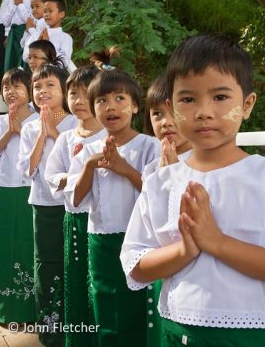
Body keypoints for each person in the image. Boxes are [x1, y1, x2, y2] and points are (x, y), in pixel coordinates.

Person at [120, 34, 265, 347]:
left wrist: (217, 242)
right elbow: (136, 265)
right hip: (176, 332)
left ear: (247, 105)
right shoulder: (160, 182)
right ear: (171, 108)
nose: (203, 111)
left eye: (220, 97)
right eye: (188, 99)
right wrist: (185, 251)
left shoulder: (260, 178)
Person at [64, 46, 160, 347]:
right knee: (103, 303)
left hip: (140, 239)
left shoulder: (149, 146)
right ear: (94, 110)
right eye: (102, 100)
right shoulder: (89, 149)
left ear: (134, 107)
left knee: (135, 305)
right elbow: (76, 202)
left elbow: (158, 196)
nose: (111, 106)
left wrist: (124, 169)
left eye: (120, 98)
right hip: (100, 239)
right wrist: (90, 166)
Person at [45, 66, 105, 347]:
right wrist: (77, 177)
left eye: (86, 94)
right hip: (74, 220)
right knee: (76, 285)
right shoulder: (67, 138)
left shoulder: (110, 135)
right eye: (73, 94)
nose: (79, 100)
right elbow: (51, 175)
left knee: (101, 287)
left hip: (105, 222)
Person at [17, 64, 77, 347]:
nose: (42, 91)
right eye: (37, 87)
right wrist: (41, 134)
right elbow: (26, 171)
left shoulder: (77, 123)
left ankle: (78, 327)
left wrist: (54, 131)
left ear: (64, 90)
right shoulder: (29, 127)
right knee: (47, 265)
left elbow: (79, 168)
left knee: (74, 265)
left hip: (73, 206)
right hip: (43, 206)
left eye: (50, 85)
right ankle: (51, 331)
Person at [143, 75, 192, 347]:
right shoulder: (152, 166)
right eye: (157, 114)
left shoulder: (203, 162)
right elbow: (151, 221)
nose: (166, 122)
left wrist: (174, 176)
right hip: (160, 262)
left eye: (175, 111)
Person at [0, 68, 37, 325]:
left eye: (17, 87)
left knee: (28, 247)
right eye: (6, 88)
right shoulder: (0, 120)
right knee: (5, 247)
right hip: (4, 189)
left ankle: (32, 310)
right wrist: (9, 131)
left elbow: (45, 150)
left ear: (29, 90)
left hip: (33, 192)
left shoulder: (41, 118)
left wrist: (21, 130)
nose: (11, 92)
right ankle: (6, 309)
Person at [22, 0, 73, 69]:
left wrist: (48, 44)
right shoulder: (37, 34)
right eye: (45, 11)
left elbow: (63, 62)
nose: (46, 14)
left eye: (50, 11)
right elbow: (25, 57)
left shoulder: (66, 38)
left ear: (61, 14)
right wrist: (38, 44)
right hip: (36, 74)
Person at [3, 0, 33, 72]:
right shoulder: (13, 0)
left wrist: (20, 4)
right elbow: (5, 22)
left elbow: (29, 20)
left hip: (23, 32)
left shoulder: (32, 1)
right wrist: (14, 4)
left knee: (22, 60)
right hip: (12, 34)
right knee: (10, 62)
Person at [20, 0, 49, 64]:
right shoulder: (35, 22)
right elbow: (22, 43)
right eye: (32, 7)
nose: (34, 9)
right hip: (29, 58)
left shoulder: (45, 22)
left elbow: (39, 39)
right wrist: (27, 31)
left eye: (37, 6)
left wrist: (31, 29)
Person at [0, 0, 13, 89]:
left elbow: (10, 18)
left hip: (3, 31)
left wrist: (7, 36)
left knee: (2, 59)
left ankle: (2, 85)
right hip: (0, 29)